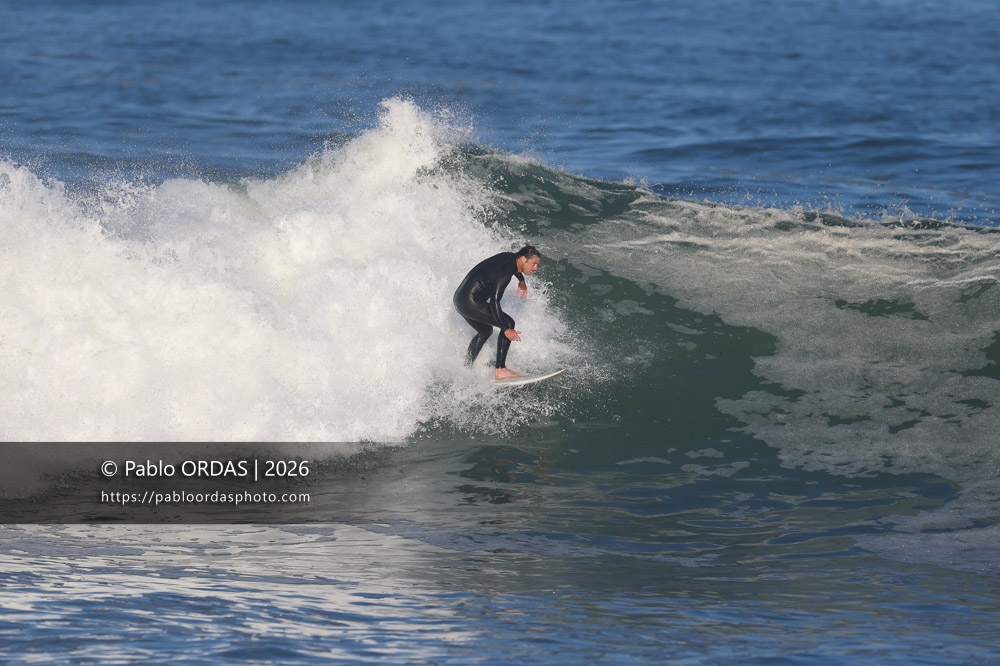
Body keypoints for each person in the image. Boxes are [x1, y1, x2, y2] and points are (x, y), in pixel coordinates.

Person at [453, 245, 541, 380]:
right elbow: (494, 302)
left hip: (459, 300)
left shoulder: (509, 257)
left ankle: (466, 367)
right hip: (470, 302)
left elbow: (515, 268)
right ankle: (501, 370)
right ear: (523, 259)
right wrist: (506, 328)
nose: (536, 268)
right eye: (534, 264)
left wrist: (521, 280)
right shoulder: (504, 274)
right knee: (509, 323)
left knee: (485, 331)